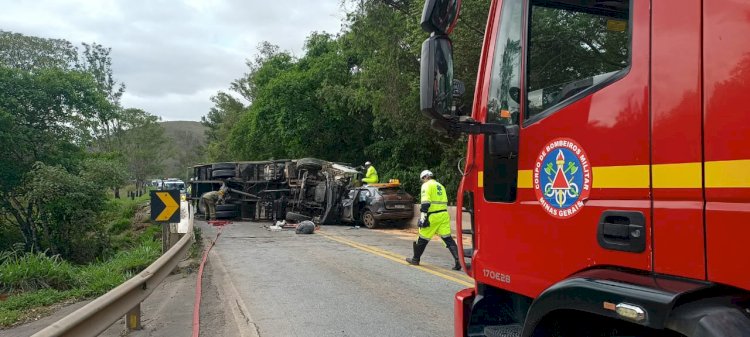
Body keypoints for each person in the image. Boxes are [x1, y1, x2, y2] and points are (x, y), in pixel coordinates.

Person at [405, 170, 461, 270]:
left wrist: (423, 218)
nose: (422, 181)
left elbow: (426, 203)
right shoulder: (441, 186)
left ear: (425, 177)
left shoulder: (426, 186)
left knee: (422, 238)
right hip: (443, 215)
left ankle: (415, 259)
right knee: (448, 238)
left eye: (422, 179)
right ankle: (458, 261)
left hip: (433, 216)